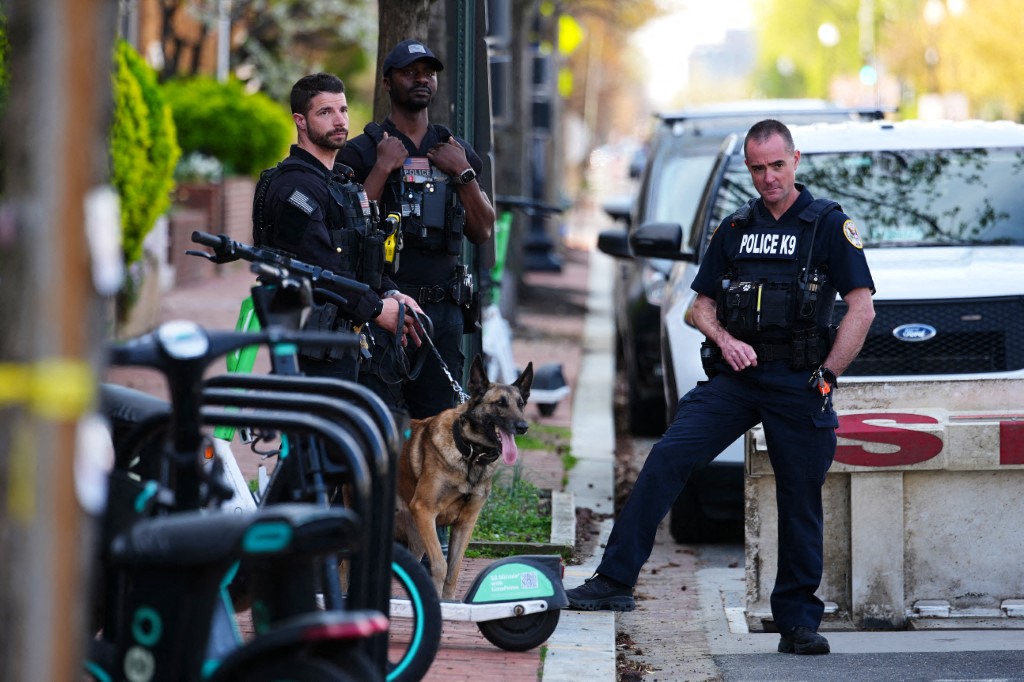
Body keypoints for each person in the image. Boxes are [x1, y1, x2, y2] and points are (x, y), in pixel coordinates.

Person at [565, 119, 876, 656]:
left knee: (799, 498)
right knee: (667, 458)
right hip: (738, 378)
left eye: (777, 166)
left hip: (798, 381)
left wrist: (827, 375)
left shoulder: (827, 224)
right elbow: (697, 307)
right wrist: (725, 339)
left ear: (795, 161)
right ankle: (614, 581)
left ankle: (798, 622)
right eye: (757, 169)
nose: (768, 178)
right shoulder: (734, 228)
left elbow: (862, 307)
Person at [338, 39, 496, 419]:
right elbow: (347, 228)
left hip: (442, 313)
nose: (422, 79)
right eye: (410, 73)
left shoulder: (455, 149)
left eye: (428, 73)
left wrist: (464, 174)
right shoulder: (362, 151)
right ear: (388, 82)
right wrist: (381, 168)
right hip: (385, 311)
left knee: (438, 425)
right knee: (378, 423)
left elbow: (483, 230)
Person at [253, 72, 422, 386]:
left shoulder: (339, 182)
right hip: (311, 344)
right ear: (300, 121)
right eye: (325, 112)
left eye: (343, 110)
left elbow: (358, 254)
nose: (339, 121)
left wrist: (392, 293)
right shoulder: (295, 188)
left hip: (344, 338)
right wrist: (376, 309)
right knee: (315, 431)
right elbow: (316, 267)